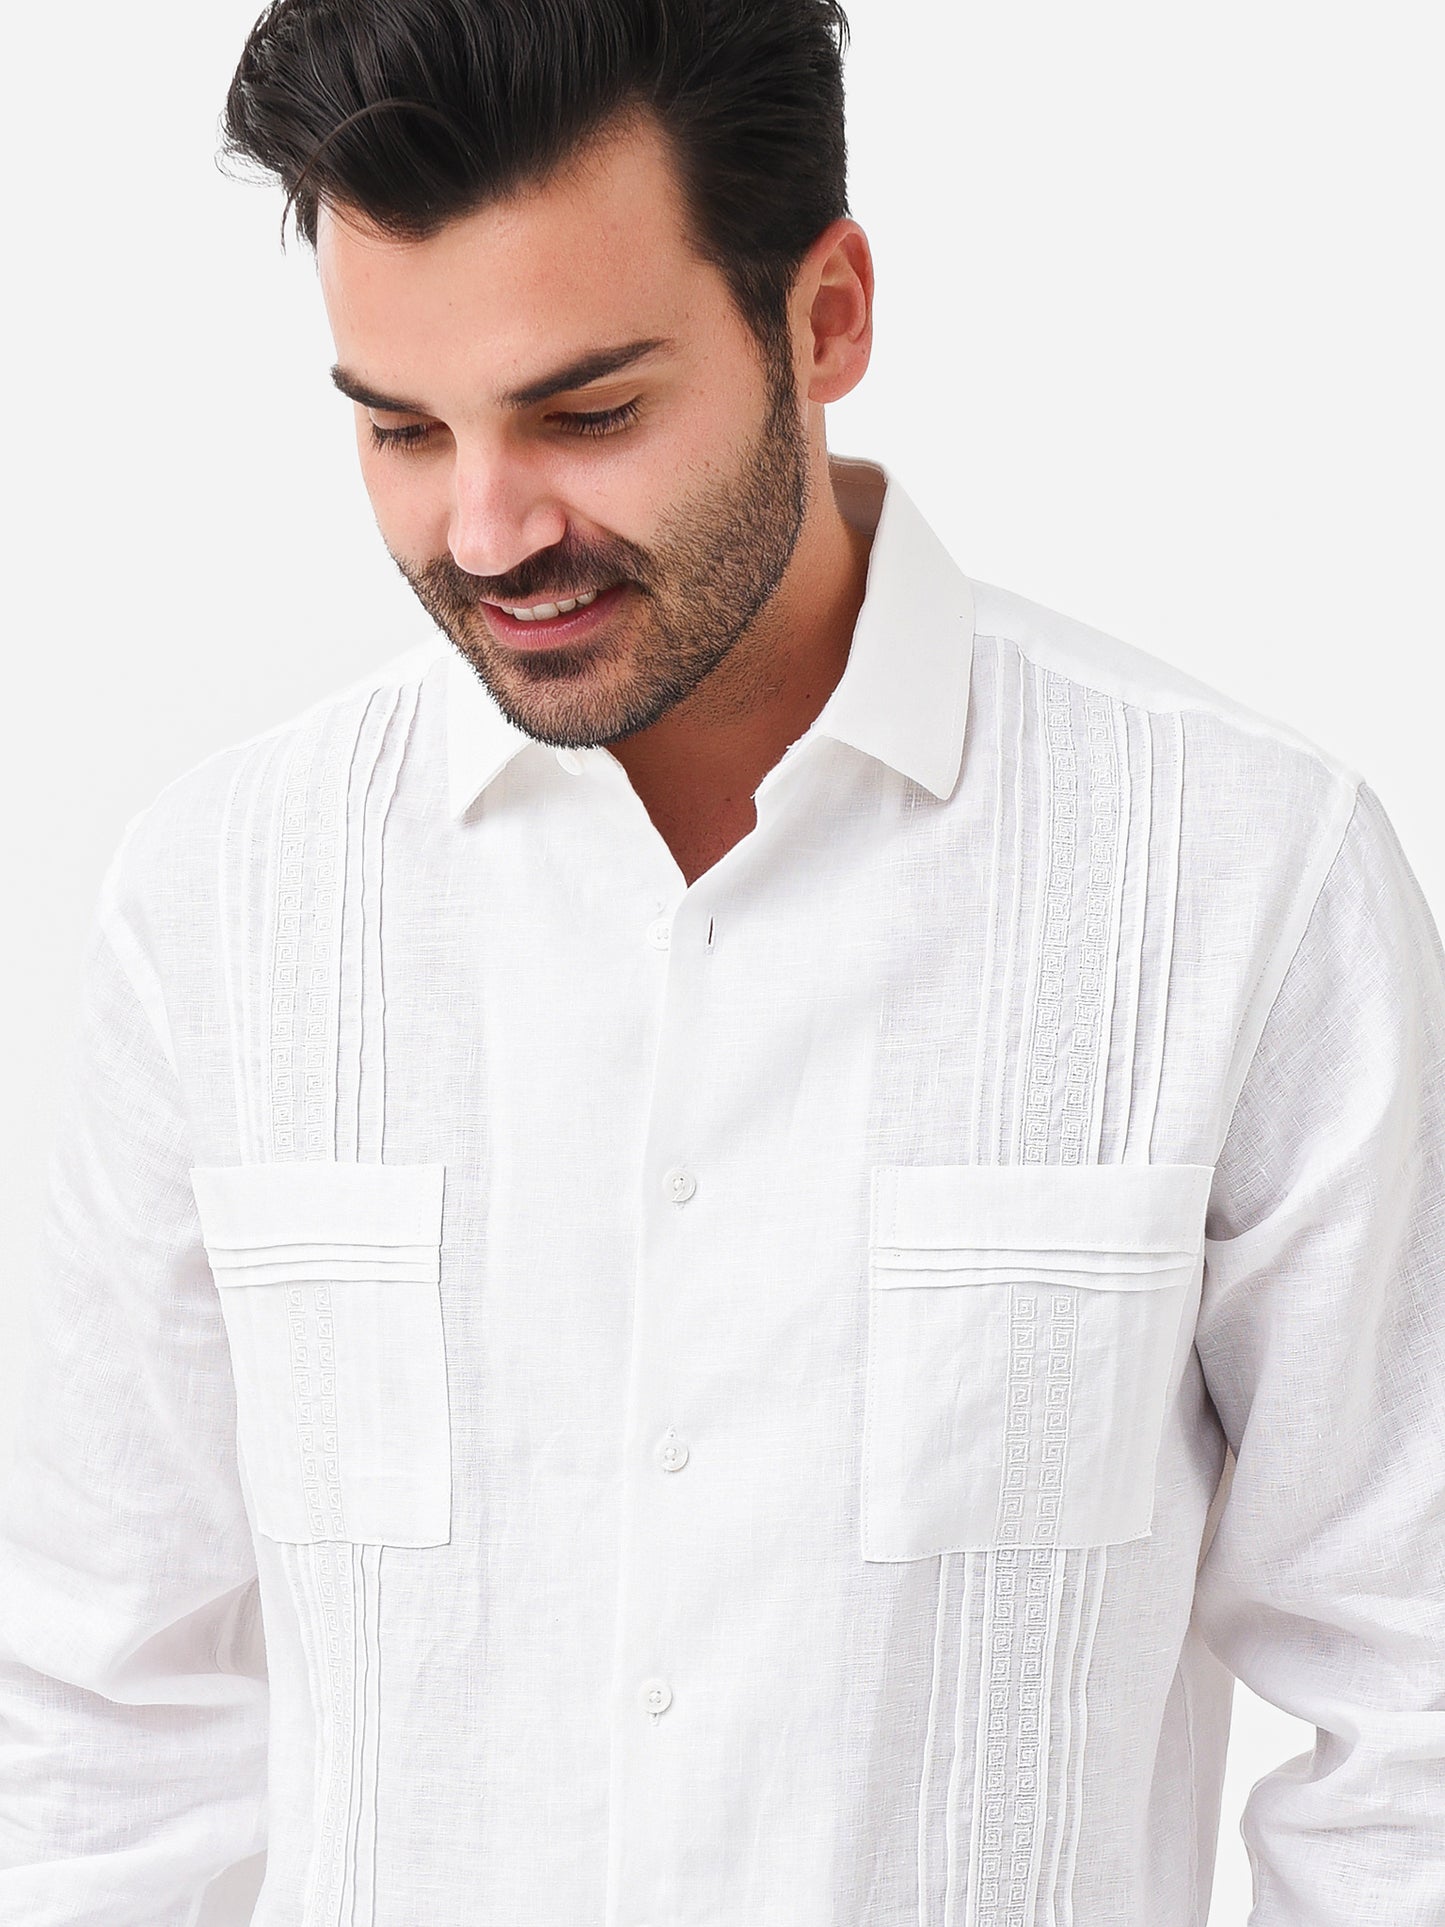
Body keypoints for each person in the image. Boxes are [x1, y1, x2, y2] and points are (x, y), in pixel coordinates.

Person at [2, 0, 1442, 1920]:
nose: (486, 531)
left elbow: (1410, 1712)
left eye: (588, 413)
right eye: (401, 429)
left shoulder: (1239, 877)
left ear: (824, 316)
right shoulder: (220, 904)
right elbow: (97, 1739)